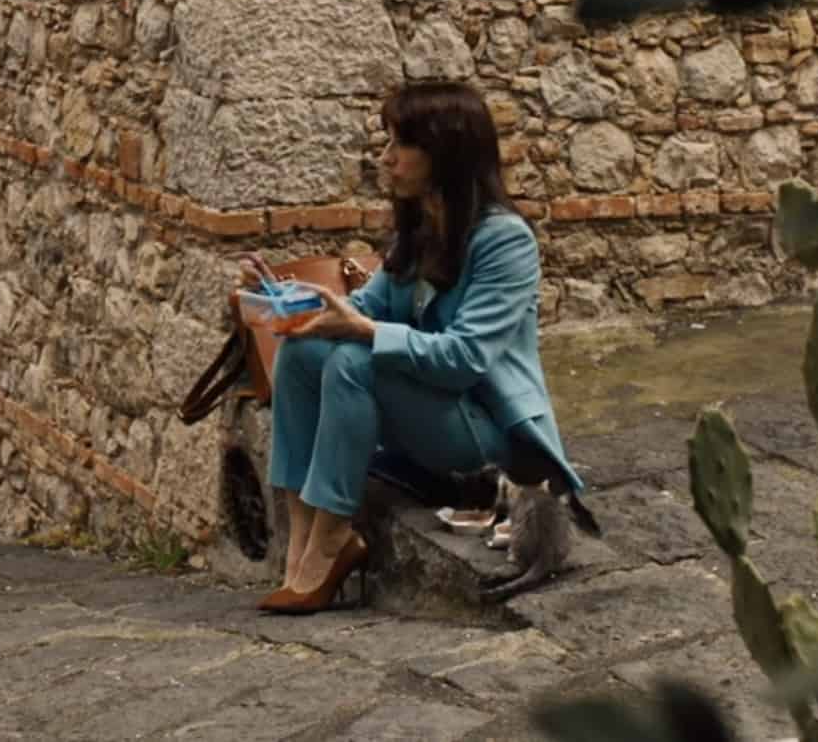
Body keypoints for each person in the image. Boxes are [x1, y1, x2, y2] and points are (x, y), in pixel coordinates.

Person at [247, 80, 588, 615]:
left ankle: (335, 537)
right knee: (299, 352)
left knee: (355, 360)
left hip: (481, 430)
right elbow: (371, 308)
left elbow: (465, 360)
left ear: (443, 153)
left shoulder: (505, 240)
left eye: (397, 146)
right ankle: (303, 540)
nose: (385, 160)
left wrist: (362, 331)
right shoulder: (419, 229)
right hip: (424, 415)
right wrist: (292, 302)